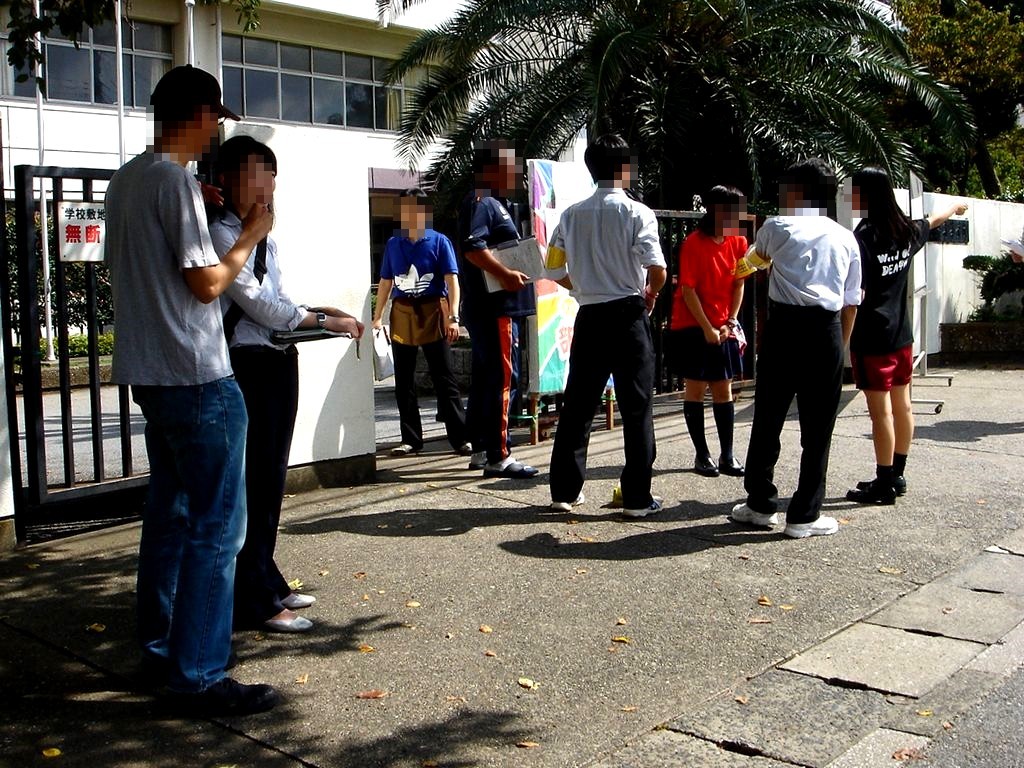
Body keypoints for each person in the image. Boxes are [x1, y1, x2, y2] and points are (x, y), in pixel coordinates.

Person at [104, 66, 278, 715]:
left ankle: (160, 650)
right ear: (202, 116)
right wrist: (251, 238)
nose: (217, 132)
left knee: (169, 520)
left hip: (151, 374)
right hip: (199, 375)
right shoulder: (173, 181)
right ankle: (199, 674)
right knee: (215, 530)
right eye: (216, 119)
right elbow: (207, 284)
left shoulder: (129, 178)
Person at [208, 135, 364, 634]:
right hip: (246, 363)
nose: (269, 184)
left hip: (276, 358)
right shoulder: (222, 234)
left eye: (273, 175)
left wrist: (321, 313)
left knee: (271, 476)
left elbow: (279, 299)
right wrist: (321, 317)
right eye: (259, 173)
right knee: (254, 477)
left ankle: (266, 577)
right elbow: (256, 304)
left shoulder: (262, 234)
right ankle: (251, 600)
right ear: (230, 178)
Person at [729, 158, 862, 539]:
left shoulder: (777, 226)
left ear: (798, 192)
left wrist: (753, 263)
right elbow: (851, 299)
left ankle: (759, 503)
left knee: (768, 416)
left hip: (783, 328)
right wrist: (841, 344)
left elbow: (750, 264)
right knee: (818, 426)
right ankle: (804, 514)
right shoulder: (845, 236)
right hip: (827, 330)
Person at [545, 134, 668, 517]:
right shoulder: (638, 213)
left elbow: (552, 268)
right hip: (629, 314)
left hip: (591, 315)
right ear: (625, 168)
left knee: (579, 405)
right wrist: (649, 294)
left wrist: (580, 285)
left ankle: (564, 491)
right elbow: (658, 271)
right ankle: (636, 497)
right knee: (637, 407)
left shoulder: (570, 214)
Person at [845, 168, 967, 504]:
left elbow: (856, 291)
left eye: (853, 191)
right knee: (903, 405)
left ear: (866, 195)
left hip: (872, 339)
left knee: (880, 412)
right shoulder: (905, 231)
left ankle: (883, 482)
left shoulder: (863, 236)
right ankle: (897, 473)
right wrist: (954, 207)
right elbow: (932, 220)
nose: (850, 197)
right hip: (902, 335)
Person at [458, 140, 539, 479]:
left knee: (486, 377)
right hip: (495, 307)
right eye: (510, 165)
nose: (516, 171)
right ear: (491, 167)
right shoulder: (484, 201)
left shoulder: (495, 202)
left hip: (492, 307)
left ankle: (480, 448)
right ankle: (499, 454)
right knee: (504, 378)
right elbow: (473, 248)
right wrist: (505, 274)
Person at [372, 188, 471, 457]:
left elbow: (452, 281)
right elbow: (385, 282)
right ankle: (410, 439)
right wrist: (377, 317)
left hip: (433, 312)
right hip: (402, 313)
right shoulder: (393, 244)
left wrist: (453, 316)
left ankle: (460, 438)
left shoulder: (439, 241)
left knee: (445, 378)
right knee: (403, 381)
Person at [668, 185, 749, 478]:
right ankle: (702, 454)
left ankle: (727, 454)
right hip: (693, 324)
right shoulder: (693, 243)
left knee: (723, 386)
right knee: (696, 387)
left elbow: (740, 281)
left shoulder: (738, 241)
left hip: (723, 323)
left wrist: (731, 320)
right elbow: (688, 290)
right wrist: (707, 328)